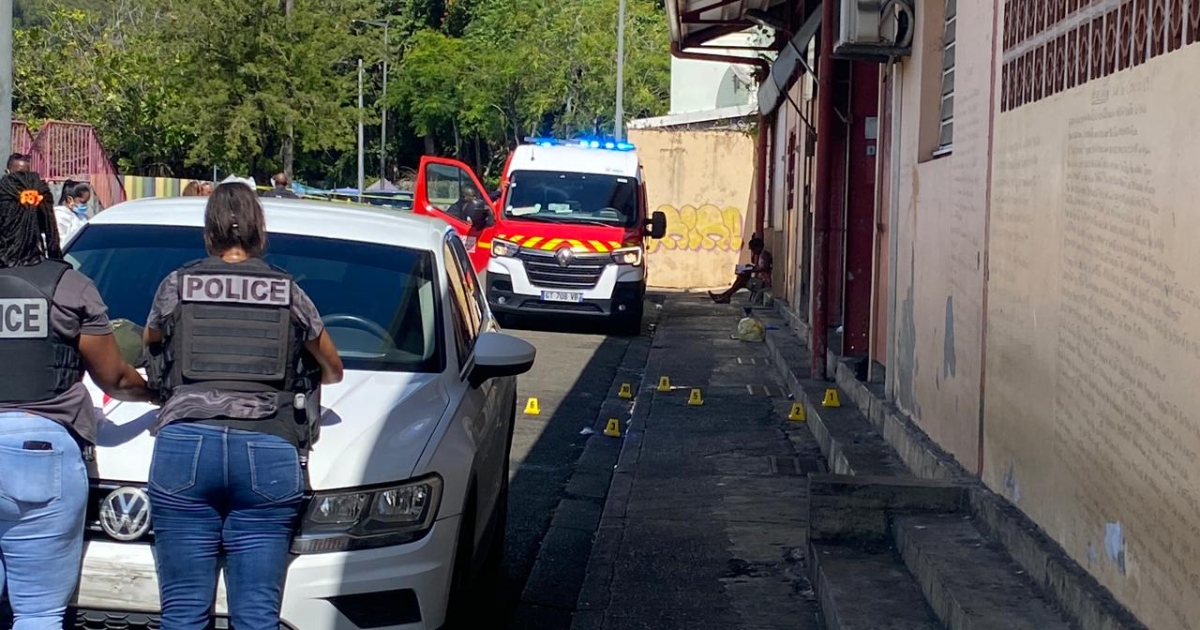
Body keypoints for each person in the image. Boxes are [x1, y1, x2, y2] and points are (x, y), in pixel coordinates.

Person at [143, 182, 344, 630]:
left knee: (183, 612)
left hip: (185, 445)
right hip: (268, 445)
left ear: (209, 232)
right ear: (259, 230)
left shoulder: (178, 284)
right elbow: (332, 368)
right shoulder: (288, 291)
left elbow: (151, 342)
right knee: (256, 614)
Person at [0, 171, 155, 628]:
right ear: (46, 220)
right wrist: (157, 392)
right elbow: (115, 378)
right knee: (38, 612)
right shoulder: (69, 288)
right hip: (39, 456)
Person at [709, 235, 773, 304]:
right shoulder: (761, 255)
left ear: (758, 247)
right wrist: (751, 267)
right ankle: (725, 296)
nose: (753, 252)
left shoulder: (764, 255)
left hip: (763, 283)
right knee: (740, 279)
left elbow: (764, 268)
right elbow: (760, 267)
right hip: (759, 280)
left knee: (741, 280)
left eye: (753, 249)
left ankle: (725, 296)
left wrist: (751, 269)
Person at [54, 180, 92, 247]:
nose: (85, 205)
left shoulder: (82, 216)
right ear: (69, 199)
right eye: (83, 202)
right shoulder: (59, 217)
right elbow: (62, 243)